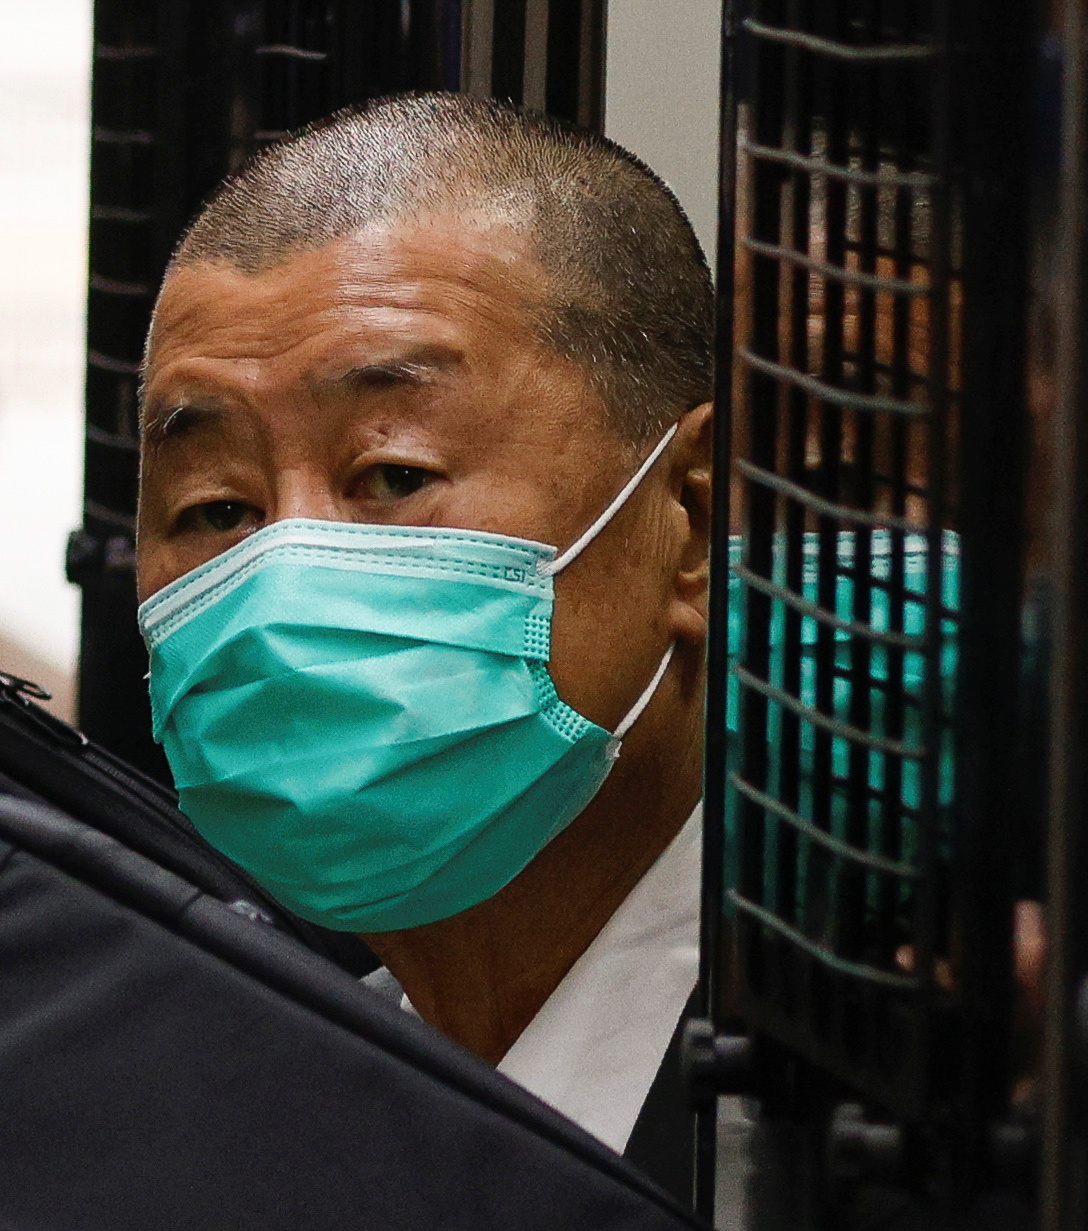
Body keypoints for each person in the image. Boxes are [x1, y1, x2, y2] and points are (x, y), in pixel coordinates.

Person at [133, 92, 713, 1172]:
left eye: (392, 475)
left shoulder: (899, 1102)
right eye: (217, 510)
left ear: (693, 522)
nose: (284, 573)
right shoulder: (212, 1117)